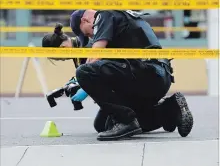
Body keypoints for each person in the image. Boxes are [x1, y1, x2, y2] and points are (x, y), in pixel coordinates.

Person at [68, 9, 194, 141]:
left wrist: (81, 82)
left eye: (87, 33)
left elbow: (95, 57)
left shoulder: (104, 15)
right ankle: (170, 110)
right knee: (103, 124)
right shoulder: (123, 19)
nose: (90, 37)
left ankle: (126, 121)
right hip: (157, 77)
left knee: (84, 72)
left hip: (145, 74)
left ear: (85, 20)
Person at [42, 23, 186, 136]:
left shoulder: (88, 46)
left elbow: (102, 69)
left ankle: (168, 110)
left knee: (116, 123)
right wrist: (69, 86)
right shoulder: (80, 47)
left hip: (133, 80)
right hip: (132, 79)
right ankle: (168, 114)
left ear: (63, 48)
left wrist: (84, 89)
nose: (61, 60)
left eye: (59, 58)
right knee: (102, 125)